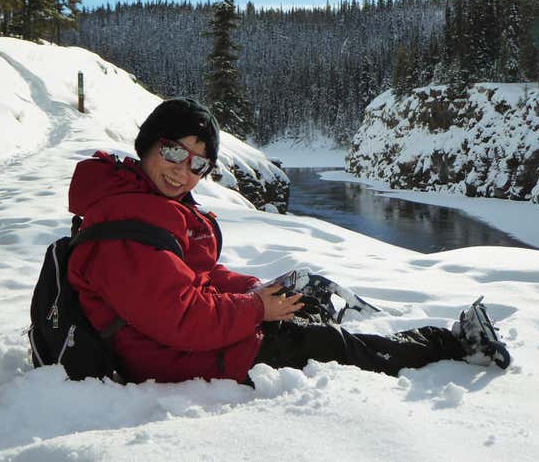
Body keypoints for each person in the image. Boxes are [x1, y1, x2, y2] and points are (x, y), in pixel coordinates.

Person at [67, 97, 510, 385]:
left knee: (303, 307)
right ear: (147, 145)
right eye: (173, 152)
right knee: (325, 345)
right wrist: (256, 308)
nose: (183, 170)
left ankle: (361, 330)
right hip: (168, 358)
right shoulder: (127, 225)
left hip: (176, 341)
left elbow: (194, 276)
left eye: (199, 164)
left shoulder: (144, 204)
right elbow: (182, 320)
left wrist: (256, 289)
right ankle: (450, 345)